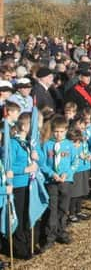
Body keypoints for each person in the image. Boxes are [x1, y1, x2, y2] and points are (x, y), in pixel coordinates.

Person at [39, 115, 76, 250]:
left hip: (66, 181)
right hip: (52, 181)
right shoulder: (47, 145)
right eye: (56, 131)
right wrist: (51, 173)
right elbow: (42, 164)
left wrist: (68, 173)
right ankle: (50, 236)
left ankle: (61, 231)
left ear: (66, 130)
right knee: (52, 209)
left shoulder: (69, 145)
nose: (58, 134)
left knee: (63, 208)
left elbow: (75, 161)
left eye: (61, 131)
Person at [10, 107, 39, 259]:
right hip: (18, 185)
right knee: (19, 217)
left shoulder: (29, 143)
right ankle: (20, 248)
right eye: (31, 125)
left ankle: (30, 243)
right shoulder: (13, 144)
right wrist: (26, 169)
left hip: (29, 184)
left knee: (28, 214)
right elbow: (9, 166)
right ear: (23, 126)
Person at [67, 121, 91, 223]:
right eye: (80, 127)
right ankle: (71, 213)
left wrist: (89, 155)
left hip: (85, 167)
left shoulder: (83, 140)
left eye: (83, 128)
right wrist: (78, 154)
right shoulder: (72, 140)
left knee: (81, 191)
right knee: (74, 193)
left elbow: (87, 150)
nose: (82, 130)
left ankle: (79, 210)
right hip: (76, 170)